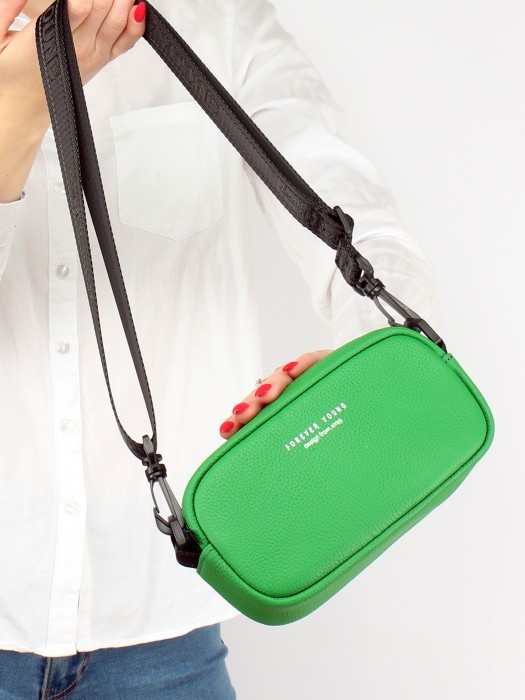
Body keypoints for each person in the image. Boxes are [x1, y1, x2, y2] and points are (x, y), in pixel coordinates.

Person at [0, 0, 444, 697]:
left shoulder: (219, 24)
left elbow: (359, 229)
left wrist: (366, 373)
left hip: (163, 638)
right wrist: (16, 111)